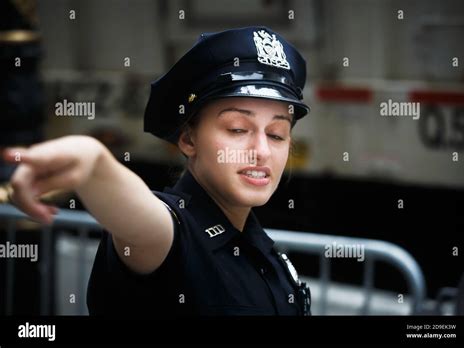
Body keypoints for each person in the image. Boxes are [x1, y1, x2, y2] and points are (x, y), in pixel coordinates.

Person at [2, 26, 312, 316]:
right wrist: (94, 163)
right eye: (237, 128)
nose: (261, 150)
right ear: (189, 138)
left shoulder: (264, 251)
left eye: (276, 134)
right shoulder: (172, 234)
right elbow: (142, 220)